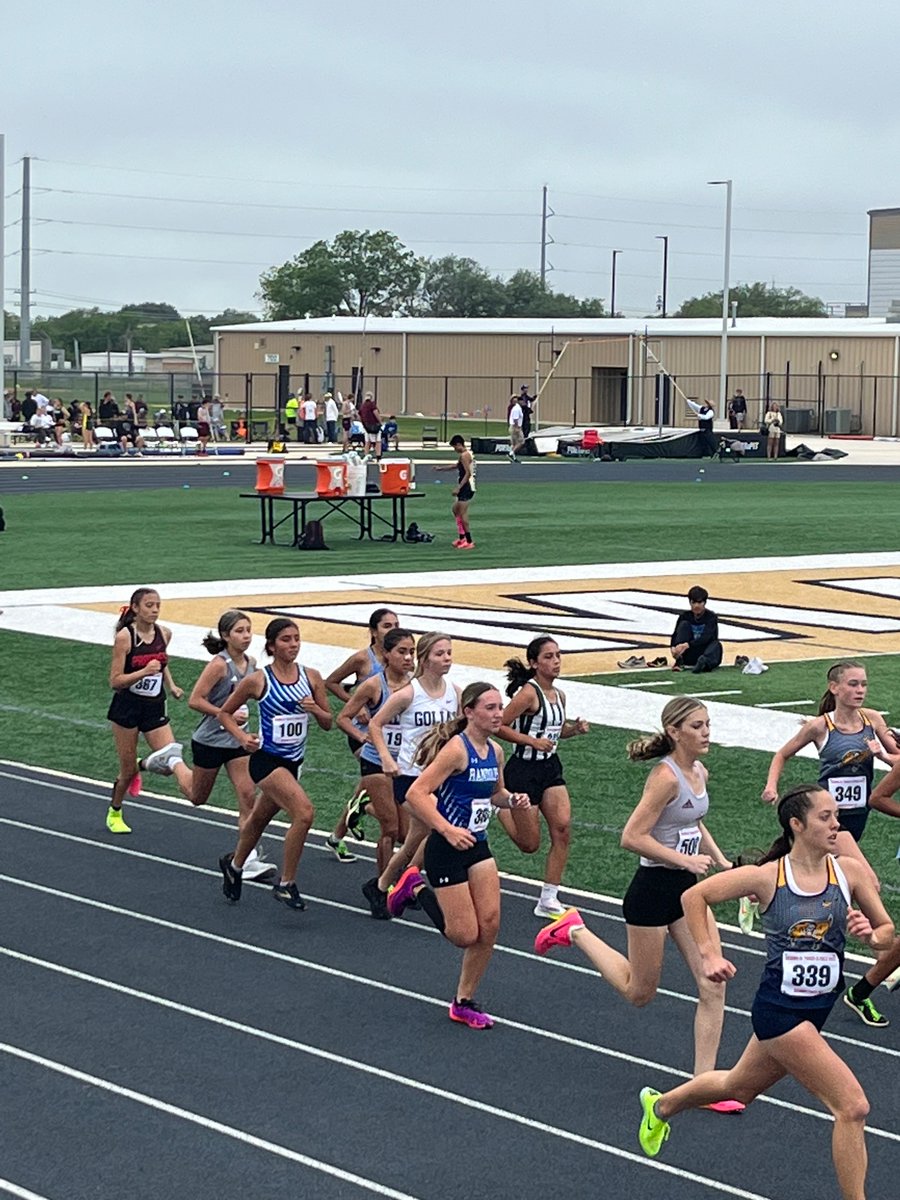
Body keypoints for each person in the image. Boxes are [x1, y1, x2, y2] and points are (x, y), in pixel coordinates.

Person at [634, 784, 895, 1200]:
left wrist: (871, 936)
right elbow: (694, 896)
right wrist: (707, 955)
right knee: (853, 1107)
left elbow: (887, 934)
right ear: (797, 824)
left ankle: (661, 1106)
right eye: (825, 817)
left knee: (738, 1086)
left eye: (836, 816)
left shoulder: (850, 872)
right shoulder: (768, 877)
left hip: (818, 1010)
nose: (836, 824)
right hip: (779, 1012)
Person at [534, 697, 741, 1108]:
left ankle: (704, 1085)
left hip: (688, 894)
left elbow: (692, 820)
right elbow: (631, 837)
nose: (706, 732)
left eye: (708, 724)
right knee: (640, 992)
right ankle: (573, 929)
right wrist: (684, 859)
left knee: (712, 983)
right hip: (652, 891)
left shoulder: (699, 770)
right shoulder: (664, 778)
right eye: (697, 726)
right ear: (675, 731)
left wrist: (720, 861)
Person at [761, 661, 899, 1021]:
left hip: (858, 821)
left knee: (843, 888)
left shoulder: (873, 720)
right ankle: (881, 955)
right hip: (833, 826)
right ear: (835, 687)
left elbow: (896, 760)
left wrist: (885, 754)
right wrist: (772, 785)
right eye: (853, 684)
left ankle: (863, 953)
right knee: (868, 882)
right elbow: (782, 754)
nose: (860, 690)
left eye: (864, 684)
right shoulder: (821, 727)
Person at [389, 682, 530, 1028]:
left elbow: (494, 794)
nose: (499, 714)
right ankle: (415, 888)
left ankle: (463, 1001)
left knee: (491, 925)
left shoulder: (494, 751)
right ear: (469, 712)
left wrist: (512, 800)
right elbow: (417, 793)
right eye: (490, 708)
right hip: (447, 849)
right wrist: (446, 829)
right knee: (463, 935)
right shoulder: (456, 749)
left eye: (500, 707)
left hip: (477, 845)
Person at [217, 618, 332, 911]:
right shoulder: (259, 680)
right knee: (304, 813)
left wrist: (315, 709)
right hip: (266, 761)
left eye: (296, 639)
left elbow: (329, 723)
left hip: (294, 763)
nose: (293, 644)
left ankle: (235, 864)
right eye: (285, 640)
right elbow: (225, 714)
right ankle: (286, 883)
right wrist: (243, 738)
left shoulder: (312, 677)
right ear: (271, 646)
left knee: (258, 819)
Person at [363, 632, 460, 916]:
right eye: (440, 654)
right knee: (440, 827)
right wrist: (385, 758)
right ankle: (411, 880)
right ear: (425, 658)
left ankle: (380, 886)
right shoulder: (408, 693)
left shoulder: (454, 692)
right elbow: (376, 725)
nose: (447, 659)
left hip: (438, 780)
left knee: (413, 841)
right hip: (409, 778)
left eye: (449, 653)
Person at [497, 636, 590, 917]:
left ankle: (548, 898)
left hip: (550, 768)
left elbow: (553, 730)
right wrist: (529, 741)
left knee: (562, 830)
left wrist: (573, 730)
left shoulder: (559, 695)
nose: (556, 662)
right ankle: (499, 807)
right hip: (523, 770)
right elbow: (498, 725)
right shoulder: (528, 693)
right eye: (548, 657)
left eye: (558, 655)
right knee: (530, 844)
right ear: (534, 663)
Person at [186, 609, 274, 882]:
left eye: (248, 630)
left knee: (248, 796)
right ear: (225, 636)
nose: (246, 636)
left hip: (238, 739)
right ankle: (173, 761)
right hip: (210, 740)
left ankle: (247, 860)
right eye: (239, 631)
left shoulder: (252, 663)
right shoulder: (219, 665)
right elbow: (195, 700)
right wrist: (225, 712)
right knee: (197, 797)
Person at [333, 628, 416, 898]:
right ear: (387, 655)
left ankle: (363, 806)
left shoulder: (417, 686)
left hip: (404, 764)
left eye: (412, 652)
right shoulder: (373, 685)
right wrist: (362, 736)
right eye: (402, 652)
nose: (408, 658)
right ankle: (384, 887)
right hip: (375, 762)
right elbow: (343, 718)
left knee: (407, 834)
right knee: (390, 827)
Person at [105, 587, 193, 833]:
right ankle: (115, 811)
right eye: (149, 605)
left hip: (154, 705)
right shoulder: (125, 637)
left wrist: (172, 685)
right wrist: (142, 672)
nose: (154, 610)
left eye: (157, 606)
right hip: (127, 709)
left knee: (169, 760)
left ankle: (141, 765)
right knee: (125, 772)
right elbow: (115, 680)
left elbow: (161, 662)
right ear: (135, 608)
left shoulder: (164, 633)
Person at [323, 607, 401, 861]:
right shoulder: (363, 659)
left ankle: (337, 836)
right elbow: (331, 682)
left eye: (395, 624)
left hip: (391, 736)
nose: (392, 629)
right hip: (363, 734)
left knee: (368, 787)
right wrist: (356, 706)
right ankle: (365, 810)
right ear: (373, 631)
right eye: (387, 625)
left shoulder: (401, 660)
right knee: (378, 784)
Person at [433, 434, 476, 549]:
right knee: (455, 510)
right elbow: (457, 466)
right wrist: (441, 468)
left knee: (462, 514)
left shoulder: (464, 456)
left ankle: (469, 540)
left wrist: (459, 487)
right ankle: (462, 537)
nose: (454, 450)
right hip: (466, 486)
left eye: (454, 447)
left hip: (466, 487)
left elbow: (468, 473)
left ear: (459, 444)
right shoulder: (464, 455)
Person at [670, 585, 723, 674]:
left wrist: (688, 645)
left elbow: (706, 637)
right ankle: (679, 661)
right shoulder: (684, 617)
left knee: (716, 645)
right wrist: (673, 647)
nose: (696, 605)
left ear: (704, 603)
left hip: (704, 651)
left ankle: (703, 663)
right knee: (684, 625)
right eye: (693, 602)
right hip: (688, 653)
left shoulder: (711, 617)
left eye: (699, 602)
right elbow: (675, 634)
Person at [359, 392, 381, 458]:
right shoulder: (372, 405)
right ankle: (378, 455)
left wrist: (363, 423)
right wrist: (380, 421)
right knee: (378, 441)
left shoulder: (362, 406)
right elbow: (376, 413)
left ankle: (366, 455)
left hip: (366, 426)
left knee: (367, 442)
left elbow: (359, 416)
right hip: (374, 425)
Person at [508, 395, 524, 462]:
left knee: (514, 443)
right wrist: (517, 427)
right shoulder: (516, 409)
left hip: (514, 426)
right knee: (521, 441)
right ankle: (511, 453)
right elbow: (515, 419)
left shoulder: (517, 408)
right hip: (515, 427)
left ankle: (513, 457)